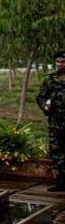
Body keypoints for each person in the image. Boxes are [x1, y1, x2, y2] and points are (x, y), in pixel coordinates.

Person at [37, 50, 65, 192]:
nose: (60, 64)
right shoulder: (49, 79)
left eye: (63, 62)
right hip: (56, 123)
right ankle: (61, 181)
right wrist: (45, 108)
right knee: (57, 152)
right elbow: (40, 97)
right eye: (58, 62)